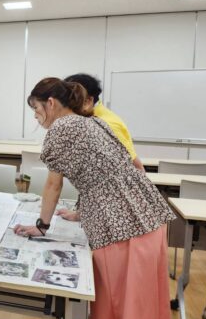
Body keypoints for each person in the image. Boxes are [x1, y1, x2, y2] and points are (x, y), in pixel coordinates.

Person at [14, 77, 175, 319]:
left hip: (122, 229)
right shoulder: (93, 121)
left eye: (36, 110)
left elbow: (53, 185)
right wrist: (82, 210)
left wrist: (41, 226)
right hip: (147, 219)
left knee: (119, 308)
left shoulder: (62, 128)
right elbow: (111, 171)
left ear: (50, 103)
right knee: (144, 310)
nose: (37, 118)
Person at [56, 73, 144, 222]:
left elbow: (135, 167)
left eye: (70, 100)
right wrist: (80, 214)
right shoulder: (88, 120)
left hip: (122, 209)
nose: (65, 107)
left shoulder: (105, 123)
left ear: (88, 100)